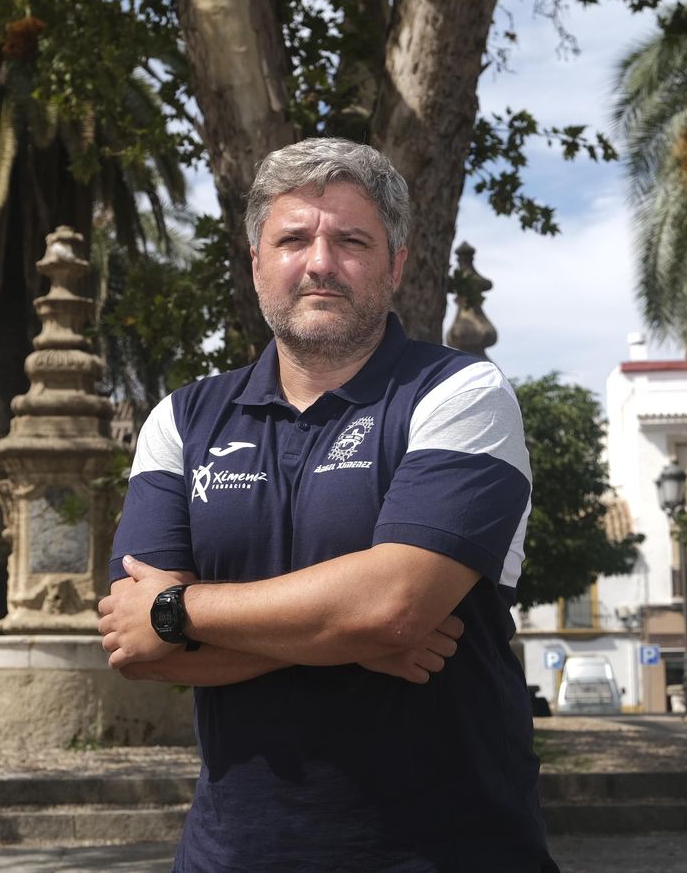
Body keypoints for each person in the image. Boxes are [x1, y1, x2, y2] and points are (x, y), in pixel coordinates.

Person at [97, 137, 556, 872]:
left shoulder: (461, 395)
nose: (320, 263)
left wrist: (178, 610)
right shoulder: (180, 420)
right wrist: (351, 636)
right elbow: (138, 649)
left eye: (351, 241)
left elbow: (392, 608)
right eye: (292, 240)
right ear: (256, 262)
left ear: (396, 265)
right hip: (228, 857)